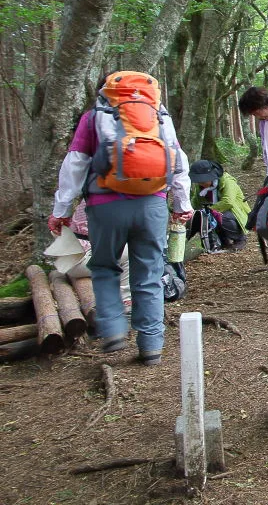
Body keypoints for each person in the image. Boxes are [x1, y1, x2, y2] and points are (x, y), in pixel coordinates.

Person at [49, 72, 193, 365]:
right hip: (152, 204)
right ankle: (151, 345)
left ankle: (114, 329)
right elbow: (178, 161)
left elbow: (75, 164)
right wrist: (182, 204)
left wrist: (61, 211)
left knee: (104, 267)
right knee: (150, 273)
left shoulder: (94, 117)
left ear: (105, 90)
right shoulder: (158, 116)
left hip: (105, 205)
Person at [187, 159, 250, 252]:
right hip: (214, 211)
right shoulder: (200, 187)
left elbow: (228, 202)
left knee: (223, 217)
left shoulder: (227, 182)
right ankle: (223, 241)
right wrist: (189, 212)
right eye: (199, 182)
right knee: (203, 217)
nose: (201, 184)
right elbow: (196, 201)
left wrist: (209, 210)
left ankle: (240, 239)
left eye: (203, 182)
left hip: (235, 213)